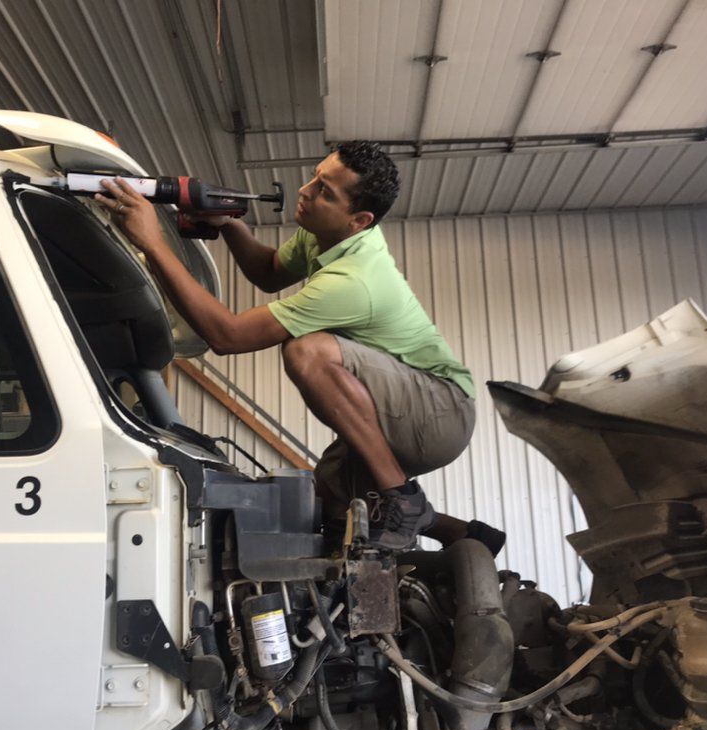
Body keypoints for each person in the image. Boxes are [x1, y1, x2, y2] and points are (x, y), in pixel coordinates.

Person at [95, 141, 503, 554]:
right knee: (326, 506)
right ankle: (461, 535)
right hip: (405, 408)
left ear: (358, 220)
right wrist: (229, 227)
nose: (305, 191)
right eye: (315, 177)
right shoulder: (324, 236)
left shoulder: (354, 279)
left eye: (326, 192)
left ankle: (400, 496)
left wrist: (154, 244)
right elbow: (269, 272)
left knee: (306, 350)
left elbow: (228, 337)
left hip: (441, 413)